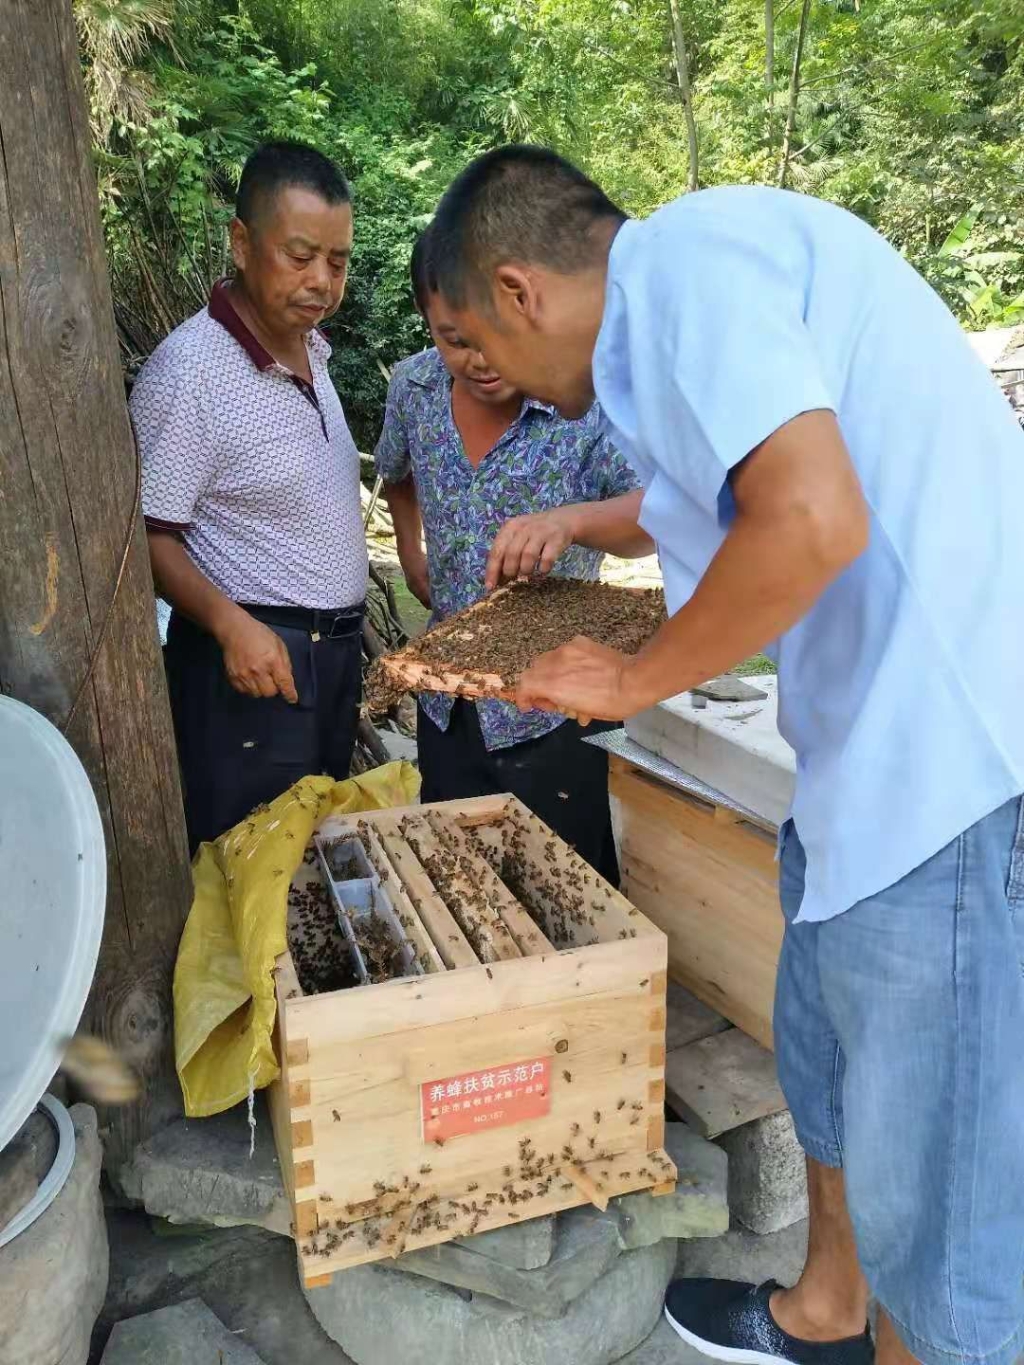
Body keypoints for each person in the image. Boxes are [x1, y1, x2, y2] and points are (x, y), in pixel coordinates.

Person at [426, 146, 1024, 1365]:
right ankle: (827, 1312)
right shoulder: (673, 317)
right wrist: (577, 524)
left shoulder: (688, 269)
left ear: (519, 288)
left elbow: (809, 516)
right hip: (861, 769)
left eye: (464, 333)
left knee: (944, 1223)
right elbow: (715, 493)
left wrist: (636, 676)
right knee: (820, 1059)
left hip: (947, 776)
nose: (473, 367)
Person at [373, 229, 652, 882]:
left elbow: (658, 514)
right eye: (454, 338)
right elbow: (396, 473)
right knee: (455, 888)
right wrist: (411, 554)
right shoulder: (413, 388)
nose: (479, 358)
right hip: (449, 701)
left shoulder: (583, 399)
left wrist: (574, 520)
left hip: (558, 706)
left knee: (565, 896)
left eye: (493, 334)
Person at [131, 141, 367, 853]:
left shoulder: (313, 349)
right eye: (300, 256)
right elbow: (146, 537)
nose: (321, 280)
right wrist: (229, 625)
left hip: (329, 656)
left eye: (338, 260)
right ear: (242, 242)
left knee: (311, 861)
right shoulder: (191, 373)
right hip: (249, 665)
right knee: (247, 864)